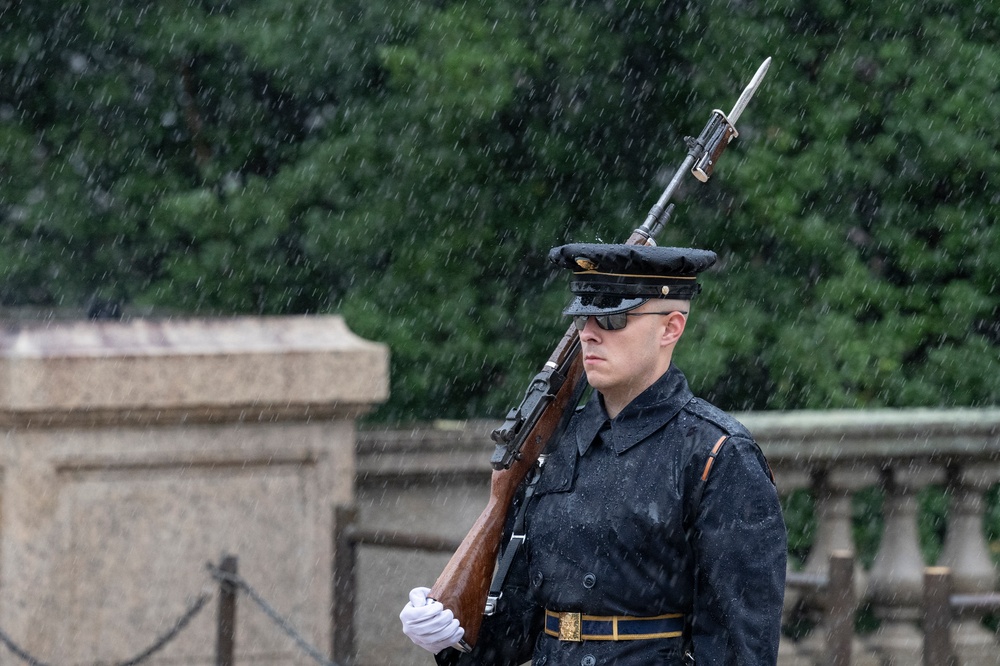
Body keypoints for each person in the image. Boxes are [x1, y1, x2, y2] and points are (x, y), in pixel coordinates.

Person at [400, 243, 787, 665]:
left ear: (671, 328)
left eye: (613, 317)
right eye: (583, 316)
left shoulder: (717, 454)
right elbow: (517, 629)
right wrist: (450, 638)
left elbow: (739, 646)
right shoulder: (554, 444)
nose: (589, 331)